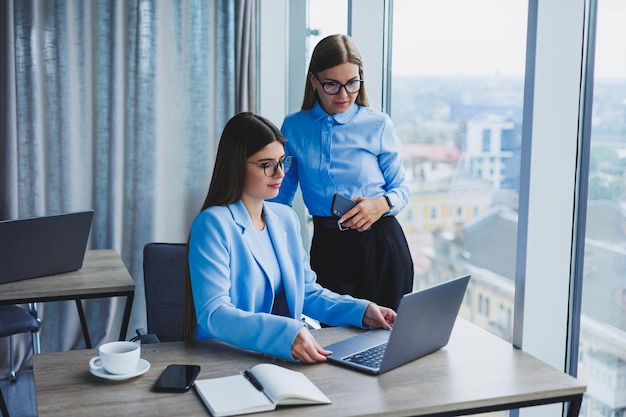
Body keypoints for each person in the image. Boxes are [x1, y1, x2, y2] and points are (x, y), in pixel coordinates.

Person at [183, 112, 396, 363]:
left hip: (278, 355)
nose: (280, 173)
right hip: (224, 357)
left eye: (283, 162)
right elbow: (215, 313)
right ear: (236, 165)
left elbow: (306, 292)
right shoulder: (213, 224)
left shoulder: (284, 218)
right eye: (267, 165)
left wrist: (361, 311)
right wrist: (286, 334)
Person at [273, 34, 413, 311]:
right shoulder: (294, 127)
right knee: (337, 342)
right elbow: (279, 198)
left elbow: (402, 190)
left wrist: (380, 204)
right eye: (332, 85)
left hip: (381, 243)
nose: (344, 94)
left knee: (389, 336)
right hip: (328, 246)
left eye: (352, 83)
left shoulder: (378, 124)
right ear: (313, 81)